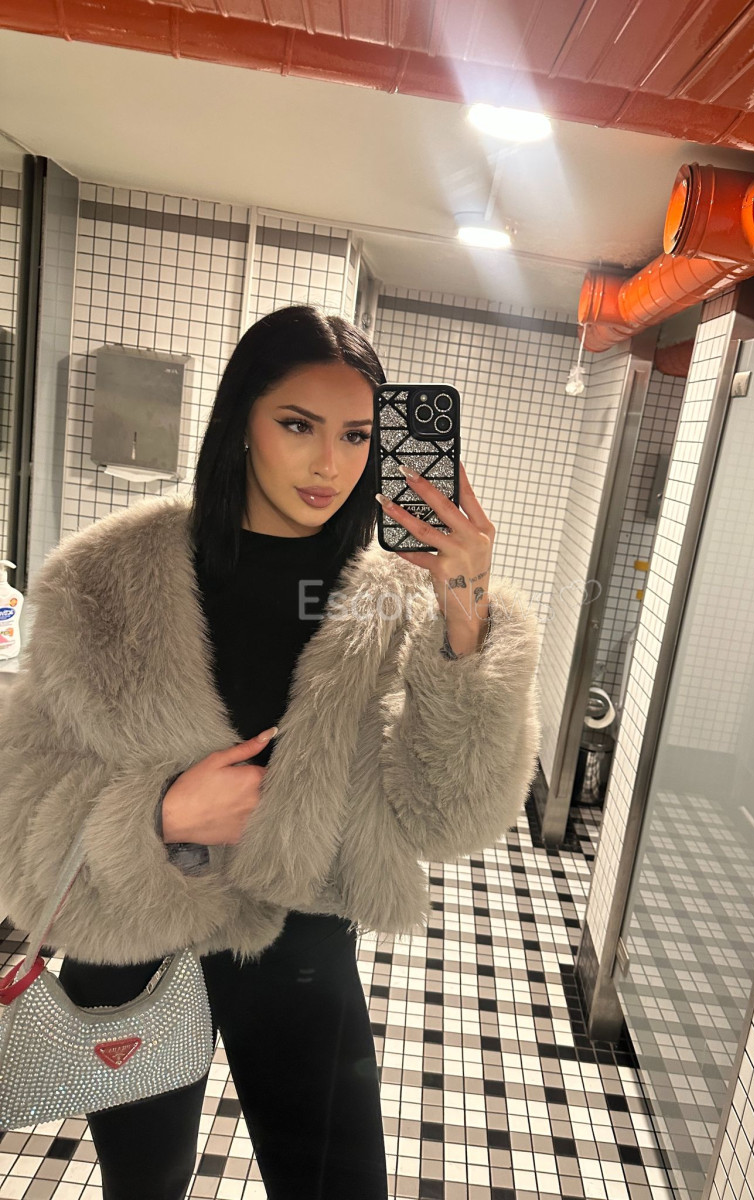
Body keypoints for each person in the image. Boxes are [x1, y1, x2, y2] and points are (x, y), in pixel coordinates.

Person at [0, 305, 542, 1199]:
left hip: (302, 940)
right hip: (135, 929)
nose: (331, 463)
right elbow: (19, 803)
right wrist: (159, 815)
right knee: (145, 1184)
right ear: (242, 421)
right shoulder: (105, 578)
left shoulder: (388, 597)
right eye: (298, 425)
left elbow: (449, 819)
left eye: (357, 435)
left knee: (341, 1185)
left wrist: (465, 620)